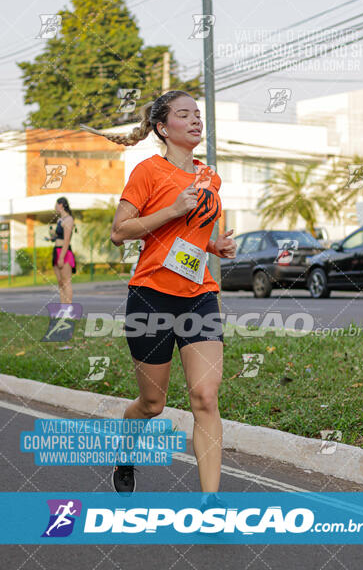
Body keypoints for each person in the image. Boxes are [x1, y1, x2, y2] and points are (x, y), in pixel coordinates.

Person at [87, 91, 237, 507]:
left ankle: (210, 504)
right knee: (152, 404)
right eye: (184, 114)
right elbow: (120, 231)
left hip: (199, 296)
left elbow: (194, 235)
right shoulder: (147, 172)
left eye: (198, 115)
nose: (195, 121)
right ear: (161, 127)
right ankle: (126, 454)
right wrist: (171, 210)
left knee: (205, 397)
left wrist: (215, 246)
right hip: (152, 296)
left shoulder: (210, 176)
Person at [50, 197, 76, 303]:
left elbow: (66, 240)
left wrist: (61, 257)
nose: (55, 207)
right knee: (60, 282)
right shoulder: (60, 220)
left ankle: (68, 309)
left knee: (66, 282)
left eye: (56, 204)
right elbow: (59, 236)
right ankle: (62, 308)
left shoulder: (69, 220)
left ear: (61, 205)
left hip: (64, 252)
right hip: (56, 250)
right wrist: (53, 236)